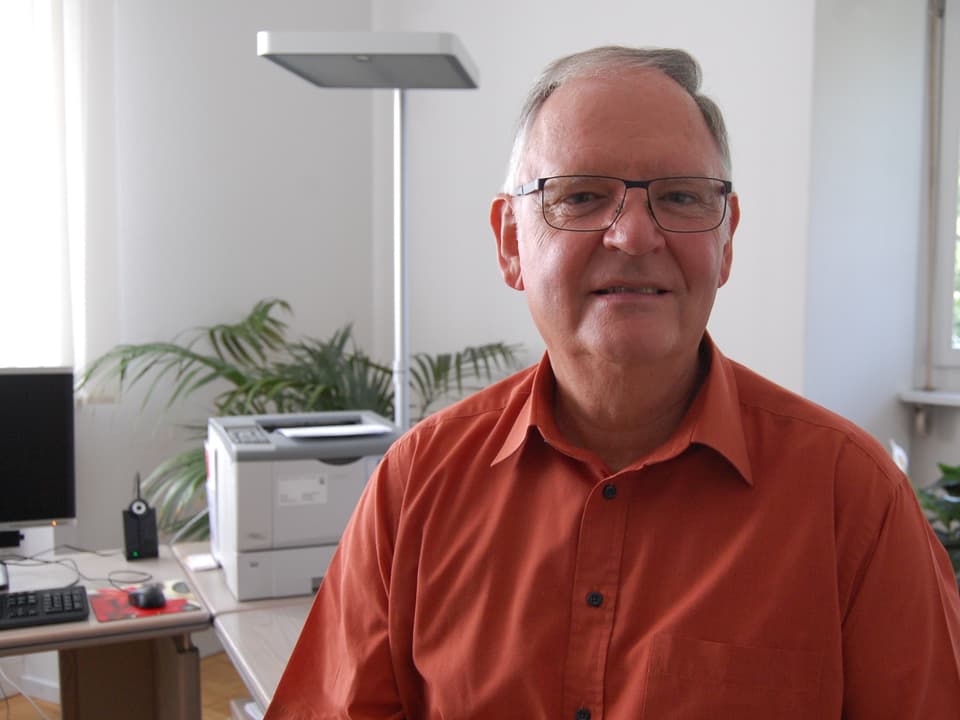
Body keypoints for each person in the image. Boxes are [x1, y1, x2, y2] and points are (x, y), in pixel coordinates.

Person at [264, 46, 960, 719]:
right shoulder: (416, 485)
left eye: (682, 196)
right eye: (583, 195)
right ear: (511, 241)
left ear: (727, 241)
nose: (633, 236)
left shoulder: (853, 500)